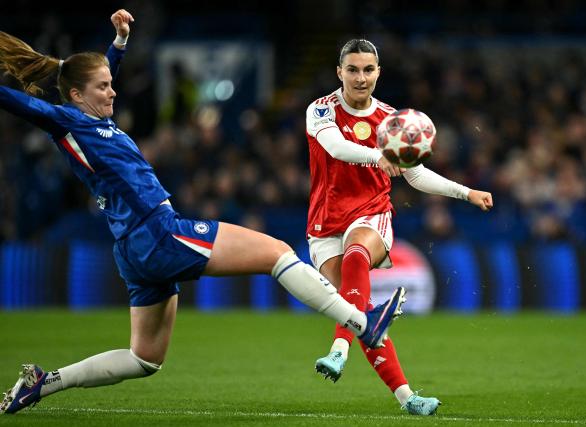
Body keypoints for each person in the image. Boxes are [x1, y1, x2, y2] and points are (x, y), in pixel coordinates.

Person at [0, 14, 408, 414]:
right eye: (104, 87)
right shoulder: (64, 120)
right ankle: (362, 323)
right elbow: (19, 102)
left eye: (111, 83)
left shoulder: (90, 117)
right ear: (75, 95)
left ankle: (44, 382)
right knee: (277, 253)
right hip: (158, 231)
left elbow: (99, 79)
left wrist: (120, 43)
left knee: (145, 358)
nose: (113, 92)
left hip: (133, 248)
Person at [305, 39, 494, 416]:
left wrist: (465, 192)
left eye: (368, 70)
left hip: (372, 214)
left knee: (358, 253)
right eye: (353, 70)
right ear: (339, 72)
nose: (361, 78)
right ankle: (408, 399)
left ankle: (337, 351)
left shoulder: (392, 120)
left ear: (379, 73)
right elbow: (337, 147)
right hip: (324, 225)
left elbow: (416, 175)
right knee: (357, 312)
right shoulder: (320, 110)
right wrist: (381, 156)